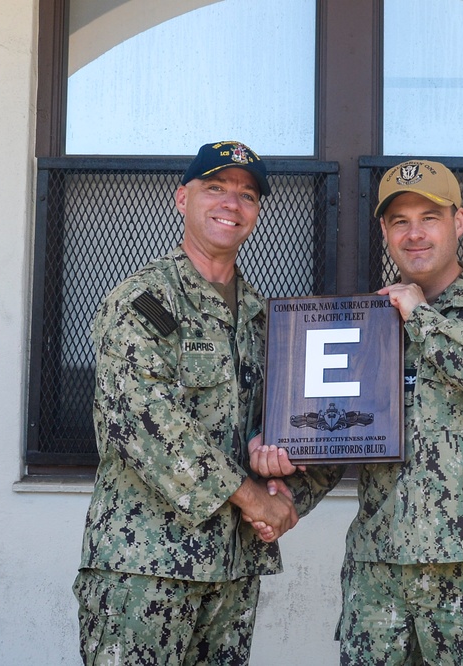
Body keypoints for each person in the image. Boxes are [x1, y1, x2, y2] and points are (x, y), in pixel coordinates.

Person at [251, 159, 463, 665]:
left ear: (459, 221)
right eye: (400, 221)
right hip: (379, 574)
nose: (415, 234)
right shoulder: (363, 323)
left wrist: (419, 315)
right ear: (384, 230)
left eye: (429, 217)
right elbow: (339, 435)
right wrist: (281, 481)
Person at [73, 140, 337, 666]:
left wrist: (284, 491)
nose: (230, 204)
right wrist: (254, 500)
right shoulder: (144, 301)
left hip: (234, 570)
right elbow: (145, 424)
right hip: (146, 568)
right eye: (214, 188)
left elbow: (301, 427)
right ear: (181, 198)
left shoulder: (268, 321)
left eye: (246, 195)